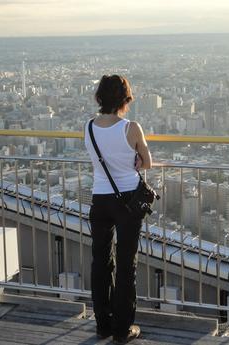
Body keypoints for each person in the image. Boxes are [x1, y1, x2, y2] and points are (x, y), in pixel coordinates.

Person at [84, 75, 152, 344]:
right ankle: (123, 330)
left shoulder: (88, 127)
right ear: (125, 100)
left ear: (99, 98)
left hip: (99, 199)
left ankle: (103, 325)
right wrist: (134, 159)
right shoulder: (131, 128)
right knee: (126, 265)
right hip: (127, 201)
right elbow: (146, 162)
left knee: (100, 263)